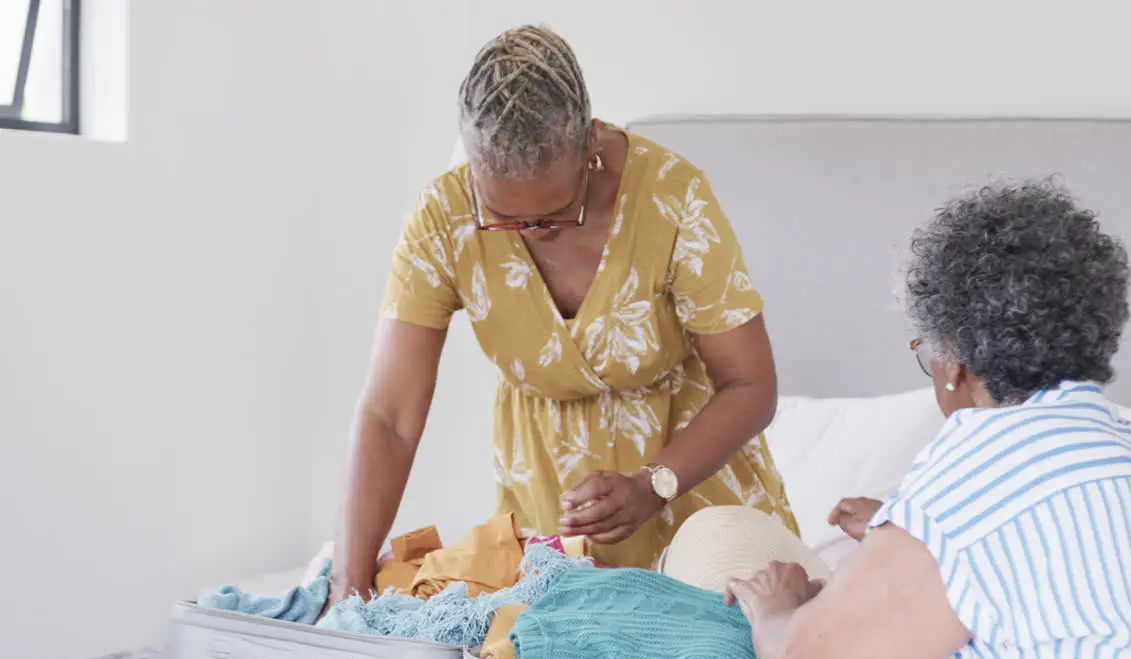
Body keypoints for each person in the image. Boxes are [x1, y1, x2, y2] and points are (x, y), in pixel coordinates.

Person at [671, 180, 1131, 659]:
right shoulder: (1127, 456)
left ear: (955, 360)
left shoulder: (985, 456)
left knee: (716, 559)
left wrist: (774, 603)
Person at [326, 24, 797, 607]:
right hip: (552, 535)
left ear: (591, 144)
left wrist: (655, 485)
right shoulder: (443, 220)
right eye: (504, 217)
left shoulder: (674, 200)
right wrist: (347, 589)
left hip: (699, 520)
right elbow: (390, 416)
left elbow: (751, 384)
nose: (531, 235)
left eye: (554, 215)